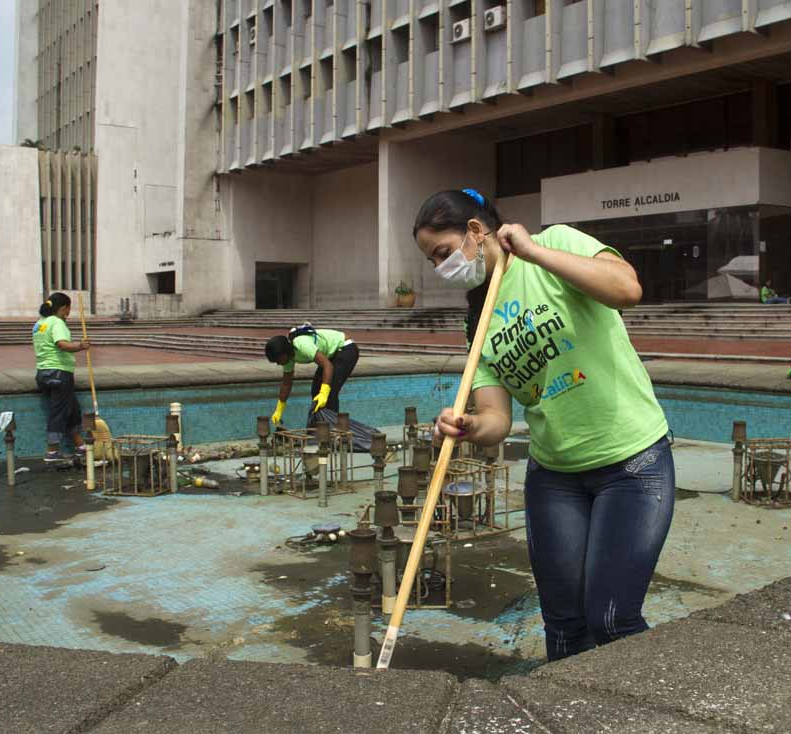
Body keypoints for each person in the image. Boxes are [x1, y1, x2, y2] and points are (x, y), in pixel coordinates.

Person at [414, 188, 674, 662]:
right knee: (565, 627)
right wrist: (468, 424)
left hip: (632, 463)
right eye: (433, 260)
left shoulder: (555, 243)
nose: (440, 268)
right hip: (554, 477)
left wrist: (533, 252)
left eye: (443, 253)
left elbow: (627, 289)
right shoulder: (478, 322)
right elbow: (497, 419)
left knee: (612, 620)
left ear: (475, 231)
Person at [264, 325, 359, 427]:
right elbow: (286, 383)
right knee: (316, 390)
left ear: (284, 353)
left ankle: (331, 429)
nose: (278, 364)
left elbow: (327, 366)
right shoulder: (288, 358)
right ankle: (318, 428)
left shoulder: (302, 345)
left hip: (346, 349)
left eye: (278, 360)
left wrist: (324, 392)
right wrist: (279, 409)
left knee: (329, 392)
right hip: (331, 355)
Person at [33, 293, 90, 462]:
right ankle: (52, 452)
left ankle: (80, 446)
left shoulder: (40, 324)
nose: (68, 313)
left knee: (72, 409)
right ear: (63, 308)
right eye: (68, 309)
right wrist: (80, 346)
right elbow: (62, 344)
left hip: (43, 374)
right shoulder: (57, 323)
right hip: (59, 373)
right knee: (59, 412)